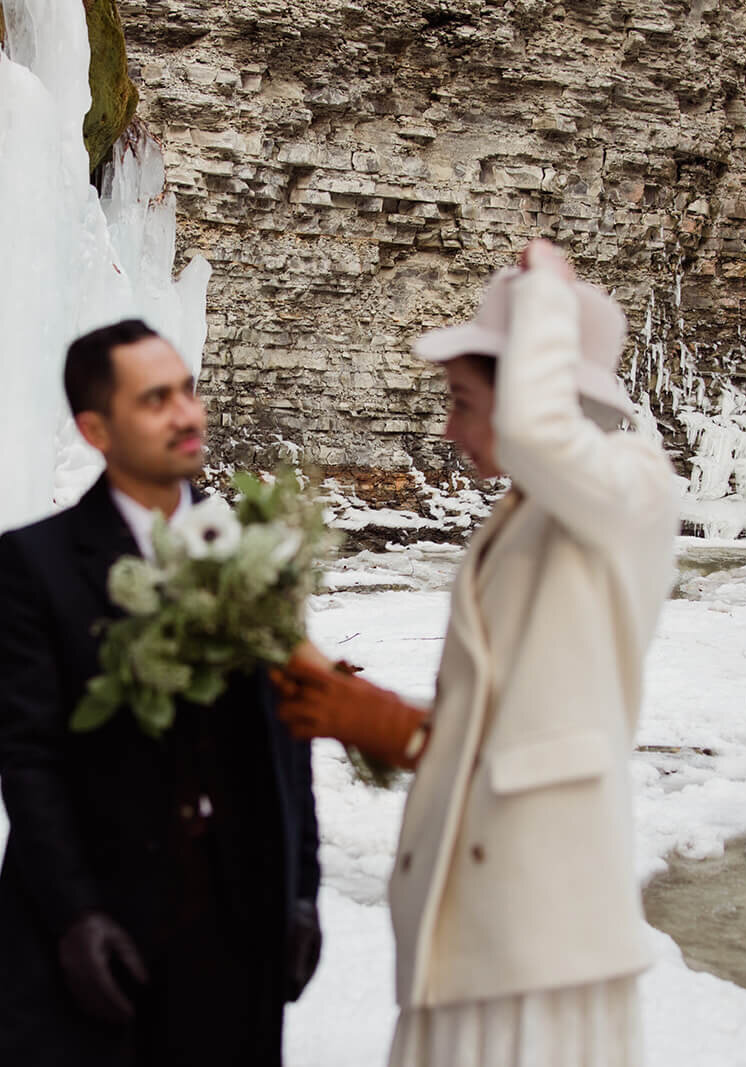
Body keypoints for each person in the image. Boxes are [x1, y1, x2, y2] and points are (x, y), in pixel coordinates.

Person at [274, 240, 679, 1066]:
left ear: (542, 387)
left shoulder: (637, 488)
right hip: (481, 925)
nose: (451, 430)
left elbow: (538, 429)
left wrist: (546, 293)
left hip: (545, 935)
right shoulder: (529, 516)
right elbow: (513, 719)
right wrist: (383, 719)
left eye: (463, 401)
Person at [0, 319, 322, 1067]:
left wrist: (301, 888)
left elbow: (291, 732)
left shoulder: (257, 551)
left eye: (187, 389)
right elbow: (31, 757)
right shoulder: (39, 561)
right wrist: (75, 915)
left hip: (236, 928)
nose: (187, 413)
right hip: (101, 936)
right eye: (155, 399)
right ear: (96, 428)